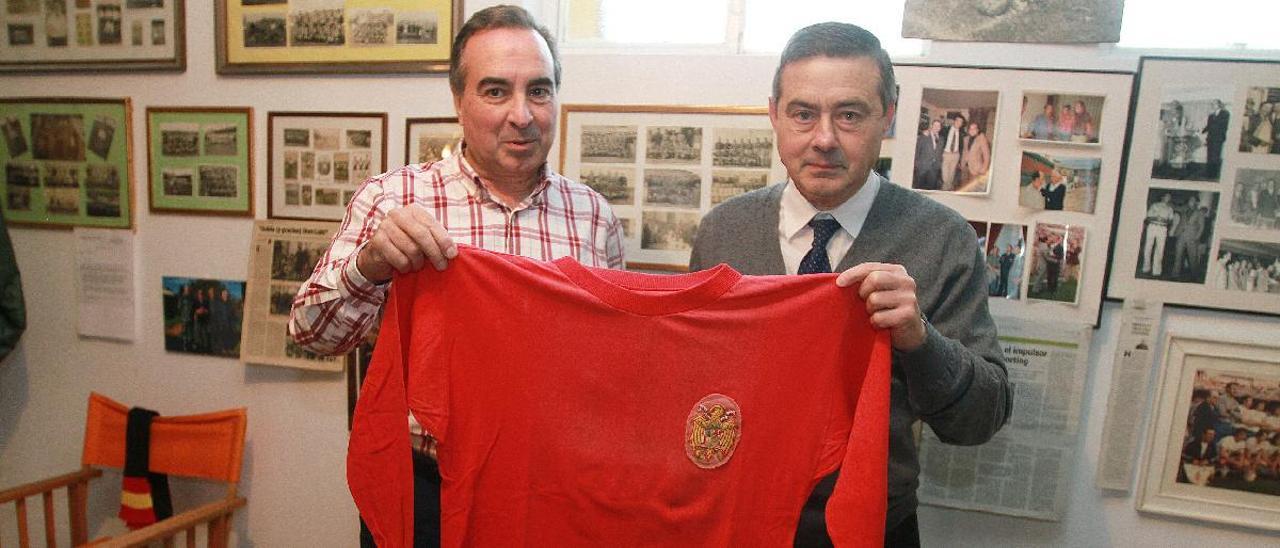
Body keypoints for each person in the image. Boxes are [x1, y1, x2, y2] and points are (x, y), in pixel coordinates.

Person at [288, 6, 624, 546]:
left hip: (553, 492)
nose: (522, 114)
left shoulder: (594, 217)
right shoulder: (393, 198)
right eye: (496, 92)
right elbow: (310, 332)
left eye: (539, 91)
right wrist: (369, 267)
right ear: (458, 102)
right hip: (426, 492)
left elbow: (611, 370)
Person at [688, 22, 1011, 546]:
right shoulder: (724, 232)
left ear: (889, 116)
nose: (823, 139)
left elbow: (979, 420)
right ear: (774, 115)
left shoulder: (942, 237)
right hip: (736, 522)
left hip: (873, 531)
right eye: (803, 114)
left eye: (850, 115)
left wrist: (919, 339)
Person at [1141, 193, 1175, 277]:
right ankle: (1146, 268)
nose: (1168, 198)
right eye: (1167, 196)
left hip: (1162, 229)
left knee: (1160, 249)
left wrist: (1165, 220)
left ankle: (1156, 271)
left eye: (1169, 197)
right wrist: (1156, 218)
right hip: (1152, 227)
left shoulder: (1170, 209)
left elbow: (1171, 221)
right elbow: (1147, 217)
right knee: (1148, 247)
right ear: (1162, 197)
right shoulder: (1154, 205)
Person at [1172, 195, 1206, 280]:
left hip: (1192, 237)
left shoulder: (1199, 212)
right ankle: (1175, 274)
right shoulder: (1184, 209)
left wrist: (1197, 237)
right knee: (1178, 255)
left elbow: (1202, 227)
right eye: (1190, 199)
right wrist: (1168, 202)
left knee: (1192, 257)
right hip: (1181, 235)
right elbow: (1175, 207)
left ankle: (1195, 275)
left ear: (1196, 202)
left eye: (1193, 200)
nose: (1191, 201)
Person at [959, 121, 990, 192]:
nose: (972, 130)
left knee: (972, 188)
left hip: (976, 168)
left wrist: (984, 168)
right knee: (963, 186)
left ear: (977, 130)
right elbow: (964, 152)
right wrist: (961, 163)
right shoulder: (966, 139)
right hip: (965, 167)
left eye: (974, 128)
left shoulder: (982, 139)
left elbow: (987, 155)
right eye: (970, 129)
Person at [1201, 99, 1229, 179]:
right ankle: (1208, 173)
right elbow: (1208, 126)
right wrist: (1202, 131)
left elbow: (1224, 125)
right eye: (1212, 104)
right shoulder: (1211, 115)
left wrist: (1214, 128)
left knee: (1215, 157)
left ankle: (1214, 174)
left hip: (1218, 138)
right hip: (1210, 139)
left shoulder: (1225, 113)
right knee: (1209, 156)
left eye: (1214, 104)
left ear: (1219, 104)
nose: (1212, 105)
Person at [912, 119, 943, 190]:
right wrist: (917, 164)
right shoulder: (923, 136)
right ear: (931, 126)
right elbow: (917, 151)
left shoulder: (941, 139)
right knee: (919, 188)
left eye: (938, 126)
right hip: (922, 167)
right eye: (935, 125)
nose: (936, 127)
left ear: (940, 128)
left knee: (931, 188)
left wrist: (939, 164)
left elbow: (940, 153)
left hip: (934, 169)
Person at [940, 115, 966, 191]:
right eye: (958, 120)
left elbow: (962, 147)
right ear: (954, 121)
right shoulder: (945, 129)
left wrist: (960, 160)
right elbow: (936, 133)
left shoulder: (962, 133)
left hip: (956, 155)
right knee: (945, 175)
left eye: (961, 122)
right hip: (946, 154)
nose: (959, 123)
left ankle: (949, 188)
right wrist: (928, 131)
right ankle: (945, 189)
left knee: (952, 174)